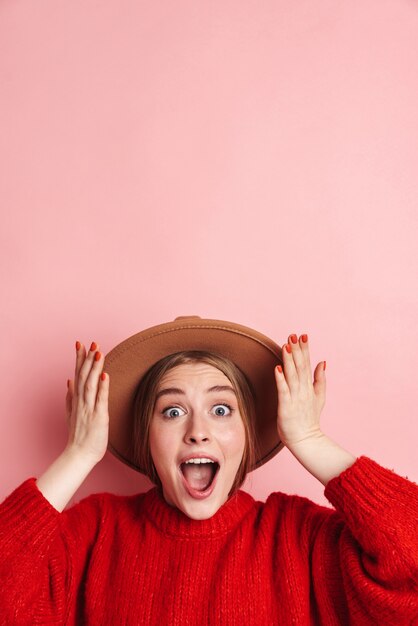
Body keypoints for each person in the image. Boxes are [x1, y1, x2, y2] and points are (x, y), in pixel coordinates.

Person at [0, 315, 417, 625]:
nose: (198, 432)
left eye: (221, 409)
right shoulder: (92, 532)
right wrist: (77, 454)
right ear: (146, 435)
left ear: (246, 434)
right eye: (172, 411)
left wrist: (309, 439)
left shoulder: (298, 537)